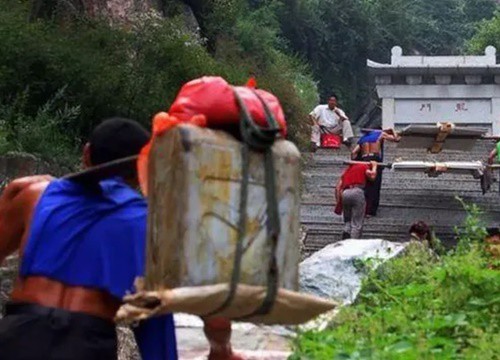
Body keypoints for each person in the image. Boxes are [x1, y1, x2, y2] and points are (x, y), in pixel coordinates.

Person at [0, 118, 239, 360]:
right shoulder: (152, 226)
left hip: (18, 336)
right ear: (141, 172)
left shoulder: (32, 195)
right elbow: (216, 316)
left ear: (86, 154)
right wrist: (222, 352)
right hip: (86, 345)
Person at [351, 128, 400, 217]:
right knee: (375, 185)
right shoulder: (380, 134)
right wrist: (392, 130)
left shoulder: (363, 138)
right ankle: (371, 210)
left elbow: (353, 152)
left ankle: (364, 209)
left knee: (366, 185)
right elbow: (396, 139)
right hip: (375, 159)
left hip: (364, 159)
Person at [335, 161, 377, 239]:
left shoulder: (347, 170)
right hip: (357, 191)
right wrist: (374, 166)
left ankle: (346, 233)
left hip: (345, 193)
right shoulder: (363, 166)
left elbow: (338, 187)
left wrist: (338, 202)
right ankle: (353, 242)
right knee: (357, 223)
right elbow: (372, 176)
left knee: (347, 220)